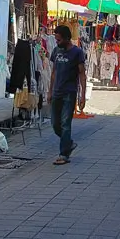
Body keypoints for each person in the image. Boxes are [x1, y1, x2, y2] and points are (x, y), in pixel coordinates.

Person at [47, 25, 87, 165]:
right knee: (55, 124)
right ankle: (68, 143)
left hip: (69, 93)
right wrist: (50, 91)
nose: (56, 42)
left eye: (58, 40)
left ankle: (63, 154)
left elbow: (82, 74)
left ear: (66, 38)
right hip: (57, 92)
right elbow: (53, 73)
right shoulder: (56, 51)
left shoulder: (77, 53)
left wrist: (82, 96)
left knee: (65, 124)